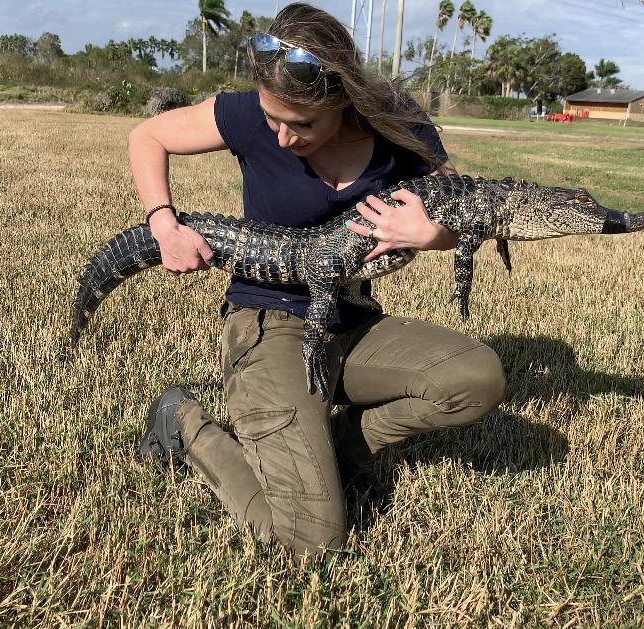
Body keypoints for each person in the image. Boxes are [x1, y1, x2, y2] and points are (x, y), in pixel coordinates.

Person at [128, 3, 505, 556]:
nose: (282, 137)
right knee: (311, 542)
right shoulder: (244, 115)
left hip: (349, 320)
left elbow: (460, 213)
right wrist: (164, 223)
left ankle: (337, 449)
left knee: (476, 378)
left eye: (303, 124)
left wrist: (432, 235)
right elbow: (148, 137)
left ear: (344, 99)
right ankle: (185, 424)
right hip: (268, 320)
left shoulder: (398, 124)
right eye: (273, 119)